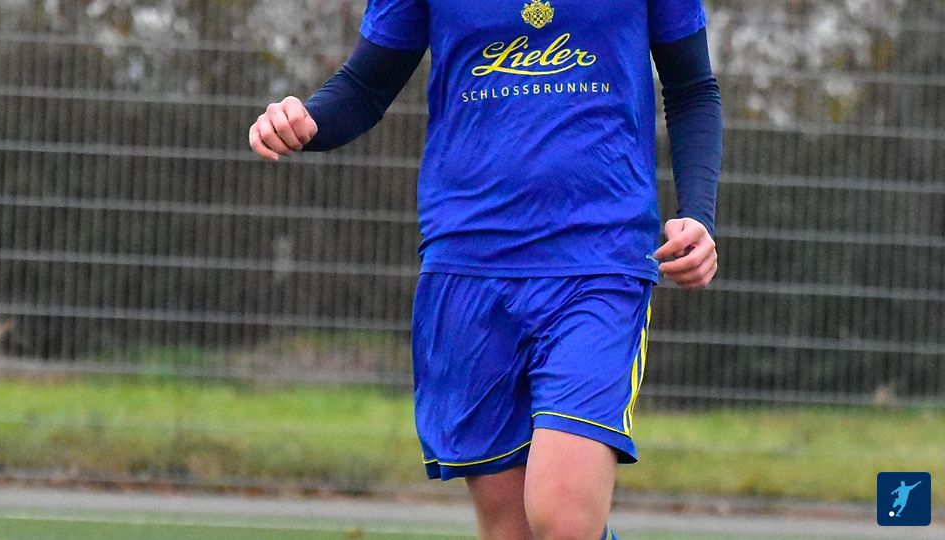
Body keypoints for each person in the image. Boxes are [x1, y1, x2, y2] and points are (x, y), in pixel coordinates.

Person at [249, 0, 722, 537]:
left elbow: (692, 90)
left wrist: (698, 214)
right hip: (468, 266)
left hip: (599, 262)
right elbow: (365, 87)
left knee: (563, 521)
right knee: (512, 530)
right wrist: (306, 121)